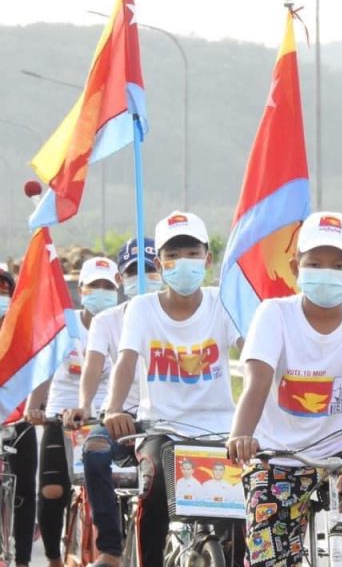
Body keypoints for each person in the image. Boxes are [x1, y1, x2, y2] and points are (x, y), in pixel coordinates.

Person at [102, 211, 243, 567]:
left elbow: (254, 355)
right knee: (152, 493)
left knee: (242, 510)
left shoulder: (223, 302)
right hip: (162, 430)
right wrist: (114, 408)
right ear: (160, 264)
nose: (184, 262)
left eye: (193, 254)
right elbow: (127, 361)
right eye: (173, 255)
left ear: (207, 260)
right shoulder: (142, 308)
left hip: (221, 432)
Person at [227, 210, 342, 567]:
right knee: (269, 557)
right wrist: (242, 434)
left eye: (339, 265)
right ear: (295, 268)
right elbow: (257, 381)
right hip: (279, 457)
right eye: (315, 262)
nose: (326, 271)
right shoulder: (274, 314)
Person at [62, 238, 163, 567]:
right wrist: (85, 404)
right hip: (124, 420)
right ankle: (111, 547)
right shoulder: (107, 322)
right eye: (134, 271)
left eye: (149, 269)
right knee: (94, 450)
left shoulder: (177, 313)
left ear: (162, 270)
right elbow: (92, 368)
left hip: (171, 421)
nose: (143, 277)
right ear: (122, 278)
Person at [25, 256, 118, 567]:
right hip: (60, 415)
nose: (101, 292)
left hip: (104, 417)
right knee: (53, 490)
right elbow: (46, 370)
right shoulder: (66, 325)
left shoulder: (123, 324)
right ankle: (53, 558)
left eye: (108, 286)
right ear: (81, 289)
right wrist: (35, 406)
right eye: (95, 286)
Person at [0, 267, 38, 567]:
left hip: (18, 422)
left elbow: (39, 375)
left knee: (24, 491)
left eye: (3, 289)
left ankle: (23, 561)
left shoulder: (25, 335)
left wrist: (38, 407)